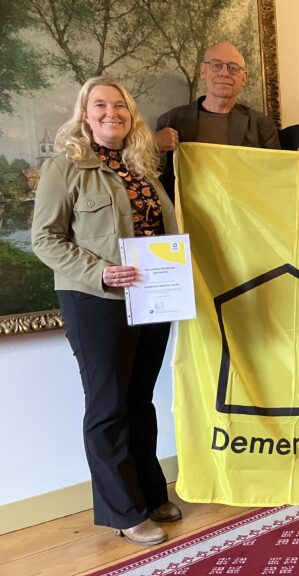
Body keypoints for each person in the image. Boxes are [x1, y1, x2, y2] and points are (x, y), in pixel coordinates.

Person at [32, 77, 182, 546]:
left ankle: (150, 492)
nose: (111, 112)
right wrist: (99, 272)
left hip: (151, 298)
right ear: (84, 113)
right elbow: (45, 239)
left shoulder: (142, 167)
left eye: (120, 106)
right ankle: (123, 509)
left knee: (140, 399)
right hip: (95, 302)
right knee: (107, 405)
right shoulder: (65, 167)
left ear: (130, 115)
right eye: (100, 105)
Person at [155, 41, 280, 202]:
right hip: (186, 222)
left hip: (242, 222)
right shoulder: (170, 121)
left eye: (233, 68)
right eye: (216, 65)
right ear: (202, 71)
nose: (224, 73)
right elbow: (152, 178)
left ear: (244, 78)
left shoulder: (262, 126)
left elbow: (276, 179)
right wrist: (153, 145)